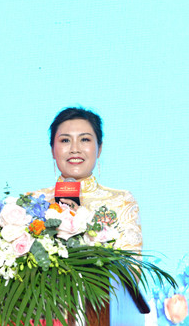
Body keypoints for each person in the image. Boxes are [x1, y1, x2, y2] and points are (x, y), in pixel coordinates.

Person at [34, 107, 143, 253]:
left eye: (84, 139)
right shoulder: (32, 203)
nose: (75, 149)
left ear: (99, 148)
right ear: (52, 149)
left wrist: (83, 224)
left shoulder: (121, 201)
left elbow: (131, 264)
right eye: (65, 140)